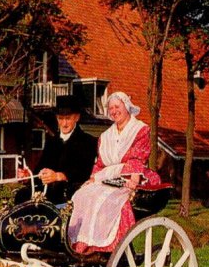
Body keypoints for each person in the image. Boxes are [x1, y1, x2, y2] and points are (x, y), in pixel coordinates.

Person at [67, 91, 161, 255]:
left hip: (132, 175)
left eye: (117, 106)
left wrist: (134, 179)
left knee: (106, 200)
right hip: (108, 177)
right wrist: (92, 179)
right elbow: (100, 164)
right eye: (111, 108)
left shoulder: (140, 130)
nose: (114, 111)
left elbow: (138, 158)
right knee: (82, 195)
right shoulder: (105, 136)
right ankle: (81, 243)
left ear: (127, 107)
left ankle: (103, 245)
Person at [15, 94, 97, 205]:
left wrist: (59, 176)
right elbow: (41, 168)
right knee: (21, 195)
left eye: (68, 118)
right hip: (47, 192)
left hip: (69, 193)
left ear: (77, 117)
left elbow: (84, 172)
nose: (64, 123)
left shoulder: (88, 141)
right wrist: (28, 177)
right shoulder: (52, 142)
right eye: (60, 118)